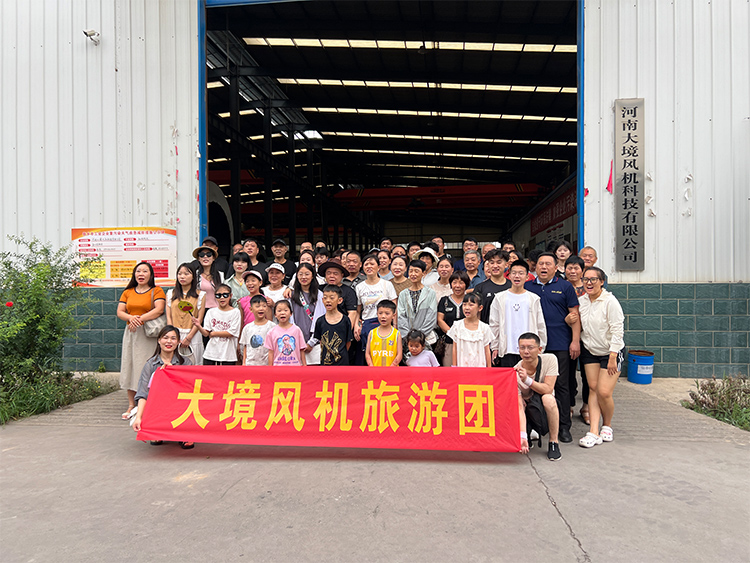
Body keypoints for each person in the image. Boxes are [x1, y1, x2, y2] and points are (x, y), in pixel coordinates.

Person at [525, 252, 581, 444]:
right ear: (535, 266)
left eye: (548, 264)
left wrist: (575, 341)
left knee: (561, 385)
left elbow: (575, 316)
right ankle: (534, 426)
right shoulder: (527, 286)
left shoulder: (565, 286)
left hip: (560, 343)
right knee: (532, 385)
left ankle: (564, 426)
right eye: (540, 263)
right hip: (534, 346)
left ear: (556, 267)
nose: (544, 267)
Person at [577, 267, 625, 448]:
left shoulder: (610, 301)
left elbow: (617, 330)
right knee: (593, 389)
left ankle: (607, 425)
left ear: (602, 281)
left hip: (610, 352)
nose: (589, 283)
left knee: (604, 392)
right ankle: (594, 431)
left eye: (593, 279)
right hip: (590, 351)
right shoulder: (582, 301)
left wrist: (613, 356)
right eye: (585, 279)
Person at [131, 325, 194, 449]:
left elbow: (191, 389)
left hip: (180, 405)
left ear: (178, 341)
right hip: (159, 406)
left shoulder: (186, 363)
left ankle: (185, 432)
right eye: (165, 338)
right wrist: (138, 418)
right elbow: (143, 393)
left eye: (173, 338)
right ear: (159, 340)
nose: (169, 341)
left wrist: (173, 374)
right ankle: (157, 430)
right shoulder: (150, 364)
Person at [117, 262, 166, 419]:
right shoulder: (128, 292)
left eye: (145, 271)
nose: (141, 274)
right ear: (134, 274)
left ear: (150, 275)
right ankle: (132, 404)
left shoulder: (156, 291)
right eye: (138, 271)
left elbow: (159, 309)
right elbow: (120, 311)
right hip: (131, 333)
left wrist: (139, 319)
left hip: (148, 334)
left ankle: (149, 403)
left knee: (147, 366)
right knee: (130, 365)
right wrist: (131, 318)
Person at [489, 259, 546, 367]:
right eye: (514, 273)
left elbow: (540, 325)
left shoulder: (533, 299)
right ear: (509, 276)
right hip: (507, 348)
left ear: (527, 277)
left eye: (521, 273)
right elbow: (494, 324)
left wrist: (540, 347)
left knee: (528, 377)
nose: (517, 276)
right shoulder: (500, 298)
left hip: (529, 349)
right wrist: (495, 347)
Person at [515, 332, 562, 461]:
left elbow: (548, 388)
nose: (526, 352)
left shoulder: (550, 359)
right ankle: (527, 434)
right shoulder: (515, 371)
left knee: (548, 398)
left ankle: (554, 442)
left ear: (539, 349)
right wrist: (522, 435)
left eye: (530, 347)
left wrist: (527, 380)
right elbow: (519, 407)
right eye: (522, 348)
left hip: (543, 403)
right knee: (516, 403)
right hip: (527, 408)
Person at [354, 254, 398, 365]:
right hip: (367, 325)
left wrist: (395, 326)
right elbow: (358, 310)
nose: (369, 266)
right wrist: (356, 325)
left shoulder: (387, 284)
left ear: (378, 267)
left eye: (372, 264)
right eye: (366, 264)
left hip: (385, 325)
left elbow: (394, 308)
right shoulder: (359, 287)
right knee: (368, 357)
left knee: (385, 356)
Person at [165, 263, 206, 366]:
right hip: (175, 333)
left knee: (194, 363)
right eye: (180, 274)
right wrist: (173, 335)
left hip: (193, 333)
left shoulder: (200, 295)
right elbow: (169, 316)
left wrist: (188, 338)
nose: (182, 277)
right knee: (174, 363)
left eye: (186, 274)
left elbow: (199, 319)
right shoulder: (170, 293)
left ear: (193, 277)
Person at [564, 255, 588, 423]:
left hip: (588, 337)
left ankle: (586, 406)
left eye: (576, 268)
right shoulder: (561, 286)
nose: (572, 271)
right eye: (569, 268)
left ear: (582, 270)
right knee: (569, 373)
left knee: (588, 375)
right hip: (568, 336)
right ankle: (570, 404)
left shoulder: (588, 288)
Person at [193, 284, 241, 365]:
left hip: (228, 355)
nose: (222, 298)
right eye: (218, 295)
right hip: (211, 353)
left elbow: (232, 332)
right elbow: (206, 333)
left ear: (230, 296)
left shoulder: (235, 312)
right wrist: (198, 326)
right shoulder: (211, 312)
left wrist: (214, 333)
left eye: (225, 295)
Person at [397, 259, 438, 353]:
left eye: (416, 271)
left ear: (423, 273)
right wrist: (409, 337)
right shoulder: (403, 294)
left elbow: (431, 317)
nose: (413, 274)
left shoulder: (430, 293)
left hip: (426, 339)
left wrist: (419, 337)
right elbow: (401, 317)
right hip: (408, 341)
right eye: (411, 271)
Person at [289, 263, 326, 365]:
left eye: (307, 274)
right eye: (300, 274)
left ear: (313, 275)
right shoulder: (291, 295)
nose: (303, 277)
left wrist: (311, 342)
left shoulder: (320, 295)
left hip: (315, 344)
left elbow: (321, 319)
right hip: (295, 342)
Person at [447, 293, 493, 367]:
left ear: (480, 308)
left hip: (480, 367)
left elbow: (487, 350)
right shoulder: (457, 326)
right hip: (462, 367)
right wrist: (454, 367)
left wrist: (489, 368)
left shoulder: (484, 328)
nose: (467, 308)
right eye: (464, 304)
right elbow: (455, 348)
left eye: (471, 305)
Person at [313, 285, 354, 366]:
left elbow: (348, 342)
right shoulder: (320, 321)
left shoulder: (345, 320)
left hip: (342, 363)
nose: (328, 301)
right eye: (325, 298)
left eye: (332, 298)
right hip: (325, 363)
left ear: (340, 300)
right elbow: (321, 341)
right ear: (322, 300)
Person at [437, 271, 469, 367]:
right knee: (449, 369)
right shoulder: (444, 301)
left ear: (466, 285)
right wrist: (452, 333)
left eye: (461, 283)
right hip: (449, 341)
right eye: (454, 282)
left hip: (468, 341)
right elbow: (440, 320)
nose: (457, 286)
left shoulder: (470, 301)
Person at [317, 258, 358, 329]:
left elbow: (352, 313)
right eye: (329, 273)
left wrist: (346, 330)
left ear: (342, 275)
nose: (331, 276)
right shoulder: (319, 289)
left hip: (341, 327)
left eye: (335, 273)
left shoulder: (349, 291)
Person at [264, 300, 307, 366]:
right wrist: (270, 368)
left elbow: (301, 350)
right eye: (279, 311)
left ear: (291, 313)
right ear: (275, 314)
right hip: (278, 367)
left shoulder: (297, 330)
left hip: (295, 367)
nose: (282, 313)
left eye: (285, 310)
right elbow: (271, 352)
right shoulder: (271, 332)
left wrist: (304, 366)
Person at [471, 249, 510, 321]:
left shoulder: (512, 287)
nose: (495, 266)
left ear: (506, 265)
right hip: (487, 327)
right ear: (488, 265)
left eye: (499, 262)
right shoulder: (480, 288)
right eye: (492, 263)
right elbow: (475, 313)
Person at [239, 295, 276, 366]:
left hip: (266, 365)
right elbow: (245, 347)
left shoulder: (272, 327)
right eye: (257, 306)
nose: (261, 309)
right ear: (251, 309)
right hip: (250, 364)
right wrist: (244, 363)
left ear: (267, 308)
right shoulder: (247, 328)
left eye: (264, 306)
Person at [365, 300, 402, 367]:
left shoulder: (396, 334)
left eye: (387, 313)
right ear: (377, 314)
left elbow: (399, 355)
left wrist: (391, 368)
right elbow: (367, 353)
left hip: (392, 371)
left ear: (393, 315)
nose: (383, 316)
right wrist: (371, 367)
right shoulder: (372, 333)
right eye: (380, 313)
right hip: (374, 371)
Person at [193, 244, 224, 314]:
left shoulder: (220, 275)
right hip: (200, 311)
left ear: (213, 258)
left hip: (217, 310)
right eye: (201, 255)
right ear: (198, 258)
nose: (205, 257)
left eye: (209, 254)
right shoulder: (195, 275)